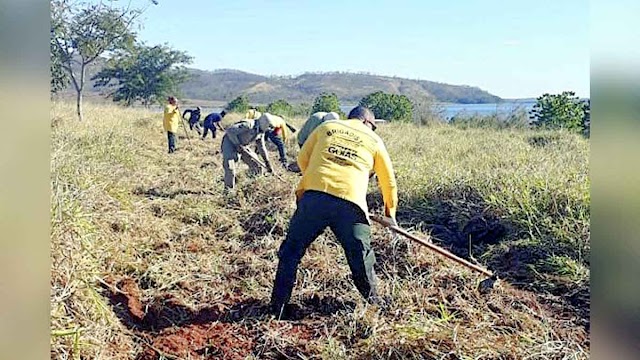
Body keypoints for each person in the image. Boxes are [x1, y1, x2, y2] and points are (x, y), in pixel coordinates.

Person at [269, 106, 398, 318]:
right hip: (351, 205)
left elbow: (302, 159)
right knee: (361, 258)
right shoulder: (374, 140)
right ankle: (376, 308)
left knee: (290, 253)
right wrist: (390, 214)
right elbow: (389, 182)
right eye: (374, 126)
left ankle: (277, 308)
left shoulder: (327, 127)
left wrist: (316, 176)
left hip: (313, 200)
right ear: (367, 122)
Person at [221, 115, 276, 189]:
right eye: (269, 126)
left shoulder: (260, 133)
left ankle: (251, 187)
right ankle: (228, 191)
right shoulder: (248, 125)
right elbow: (230, 131)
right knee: (230, 169)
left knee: (257, 166)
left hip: (243, 145)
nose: (269, 129)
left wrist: (267, 163)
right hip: (230, 143)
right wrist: (237, 144)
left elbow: (262, 148)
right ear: (264, 123)